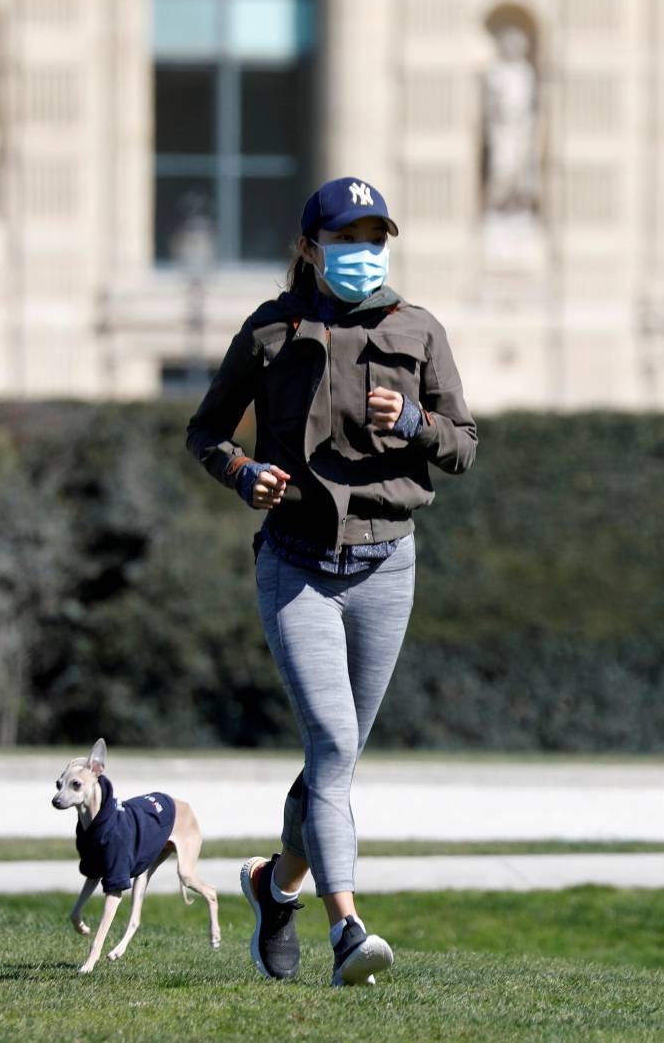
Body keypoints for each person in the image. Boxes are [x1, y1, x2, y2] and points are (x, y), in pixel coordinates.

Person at [186, 177, 477, 986]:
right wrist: (243, 474)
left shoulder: (419, 329)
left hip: (388, 565)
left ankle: (273, 887)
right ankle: (347, 928)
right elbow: (206, 431)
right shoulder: (270, 329)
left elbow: (465, 445)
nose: (364, 255)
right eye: (348, 240)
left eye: (375, 239)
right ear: (312, 247)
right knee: (336, 744)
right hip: (297, 566)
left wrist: (414, 422)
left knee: (332, 760)